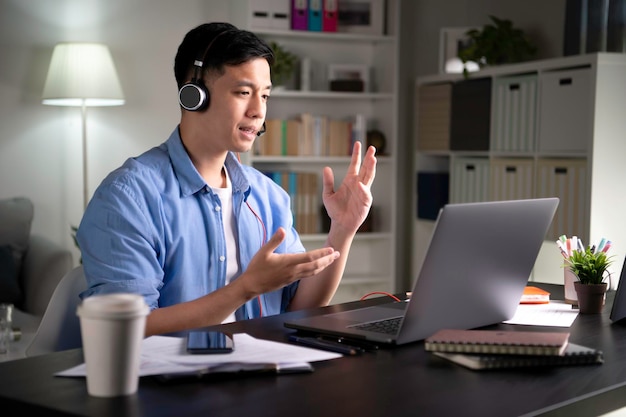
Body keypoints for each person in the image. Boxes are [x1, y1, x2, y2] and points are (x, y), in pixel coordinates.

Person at [76, 22, 377, 337]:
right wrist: (245, 288)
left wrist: (341, 231)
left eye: (265, 95)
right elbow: (123, 331)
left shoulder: (268, 196)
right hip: (173, 380)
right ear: (194, 94)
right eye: (244, 93)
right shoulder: (128, 197)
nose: (259, 110)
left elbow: (298, 308)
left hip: (264, 371)